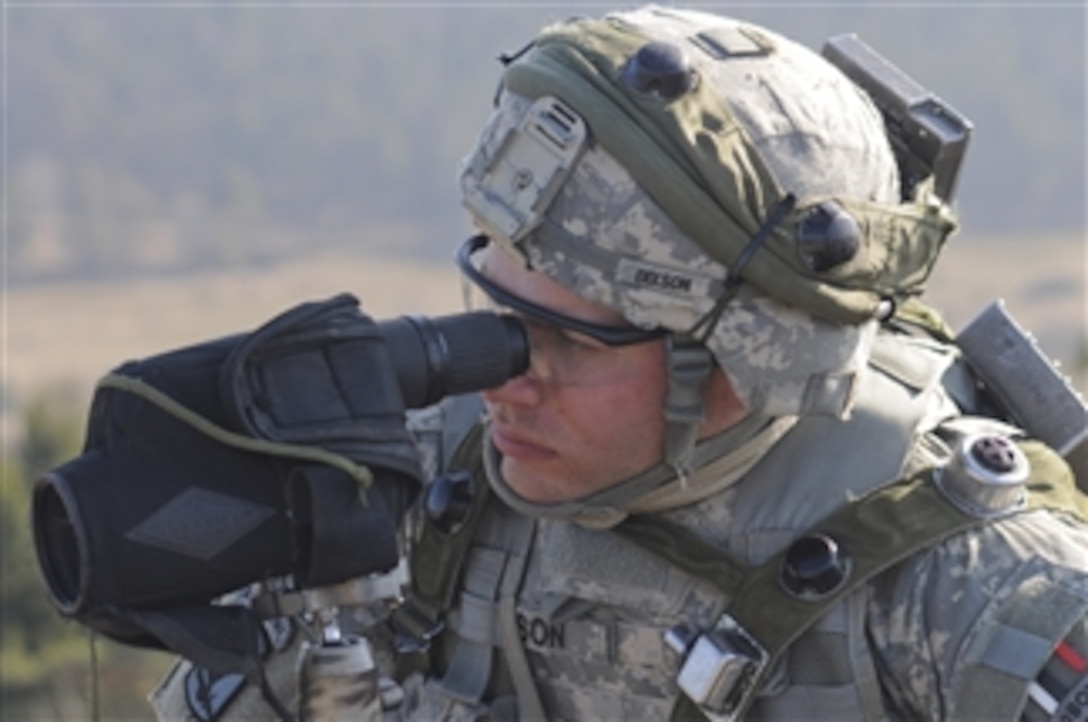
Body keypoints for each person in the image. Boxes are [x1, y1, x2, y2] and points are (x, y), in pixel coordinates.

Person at [151, 5, 1088, 721]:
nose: (500, 380)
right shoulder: (415, 495)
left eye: (564, 340)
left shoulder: (976, 587)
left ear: (741, 356)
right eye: (499, 312)